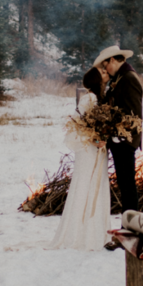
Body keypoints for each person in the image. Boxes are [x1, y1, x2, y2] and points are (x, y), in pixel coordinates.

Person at [49, 66, 111, 251]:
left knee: (95, 186)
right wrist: (95, 138)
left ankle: (93, 231)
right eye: (103, 73)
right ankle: (82, 234)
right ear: (96, 80)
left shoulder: (98, 98)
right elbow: (76, 124)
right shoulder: (90, 98)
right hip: (88, 150)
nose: (107, 73)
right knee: (87, 185)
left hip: (94, 148)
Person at [93, 45, 143, 251]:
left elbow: (132, 115)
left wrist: (116, 135)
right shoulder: (119, 79)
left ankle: (130, 233)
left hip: (124, 141)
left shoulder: (129, 79)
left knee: (128, 188)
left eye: (106, 66)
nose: (106, 70)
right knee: (125, 187)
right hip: (118, 140)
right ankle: (127, 231)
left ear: (113, 60)